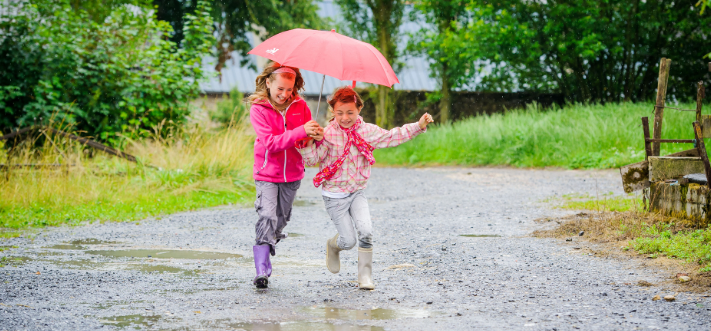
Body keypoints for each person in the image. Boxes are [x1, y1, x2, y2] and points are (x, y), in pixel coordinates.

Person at [298, 86, 433, 290]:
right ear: (333, 111)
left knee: (366, 231)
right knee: (349, 240)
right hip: (334, 196)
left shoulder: (367, 131)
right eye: (340, 112)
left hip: (357, 192)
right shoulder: (326, 134)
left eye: (350, 112)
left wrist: (418, 125)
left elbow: (392, 136)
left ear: (359, 109)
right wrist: (308, 143)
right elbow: (312, 160)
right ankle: (334, 245)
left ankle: (365, 276)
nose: (345, 117)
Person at [248, 62, 321, 289]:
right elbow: (271, 143)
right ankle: (262, 271)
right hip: (267, 174)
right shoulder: (259, 109)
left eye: (289, 90)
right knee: (267, 216)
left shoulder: (301, 107)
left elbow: (303, 141)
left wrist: (314, 136)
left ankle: (270, 238)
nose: (284, 94)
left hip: (292, 175)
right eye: (280, 88)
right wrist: (300, 131)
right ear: (268, 82)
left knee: (280, 221)